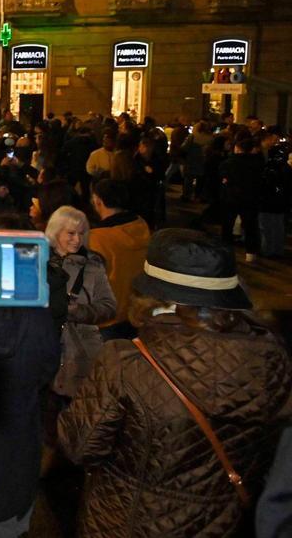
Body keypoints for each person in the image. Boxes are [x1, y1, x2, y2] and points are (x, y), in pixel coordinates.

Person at [59, 229, 292, 538]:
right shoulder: (272, 358)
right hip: (222, 524)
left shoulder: (125, 361)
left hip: (127, 522)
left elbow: (80, 446)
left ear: (151, 295)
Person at [45, 206, 116, 398]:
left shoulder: (93, 265)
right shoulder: (38, 261)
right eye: (71, 233)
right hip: (43, 348)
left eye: (82, 233)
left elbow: (109, 307)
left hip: (79, 354)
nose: (77, 240)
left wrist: (76, 311)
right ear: (56, 231)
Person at [87, 178, 151, 339]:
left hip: (107, 321)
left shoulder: (96, 239)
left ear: (98, 201)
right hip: (136, 313)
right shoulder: (140, 225)